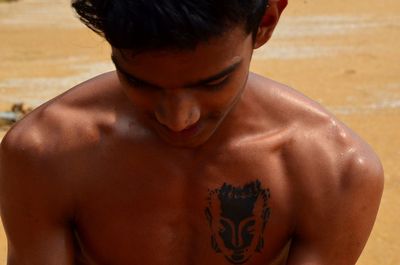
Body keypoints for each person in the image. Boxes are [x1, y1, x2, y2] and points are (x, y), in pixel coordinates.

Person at [0, 0, 384, 264]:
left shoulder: (335, 172)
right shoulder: (47, 154)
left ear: (266, 19)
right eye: (140, 82)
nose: (178, 118)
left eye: (212, 83)